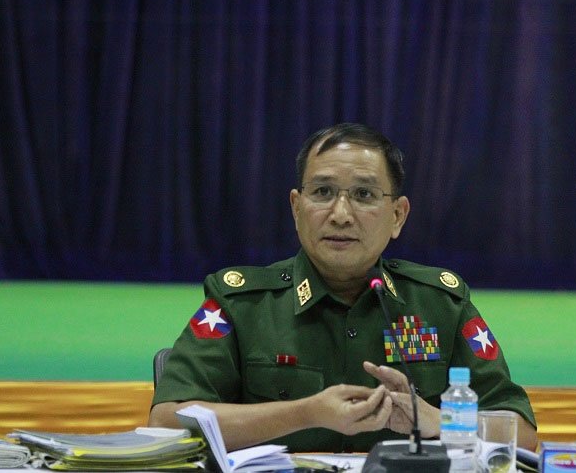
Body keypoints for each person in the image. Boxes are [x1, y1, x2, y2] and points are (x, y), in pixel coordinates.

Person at [149, 123, 537, 453]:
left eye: (364, 195)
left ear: (397, 215)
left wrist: (437, 420)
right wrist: (306, 413)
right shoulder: (241, 303)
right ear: (296, 208)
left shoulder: (440, 303)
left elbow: (521, 433)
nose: (340, 215)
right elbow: (167, 422)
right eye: (322, 192)